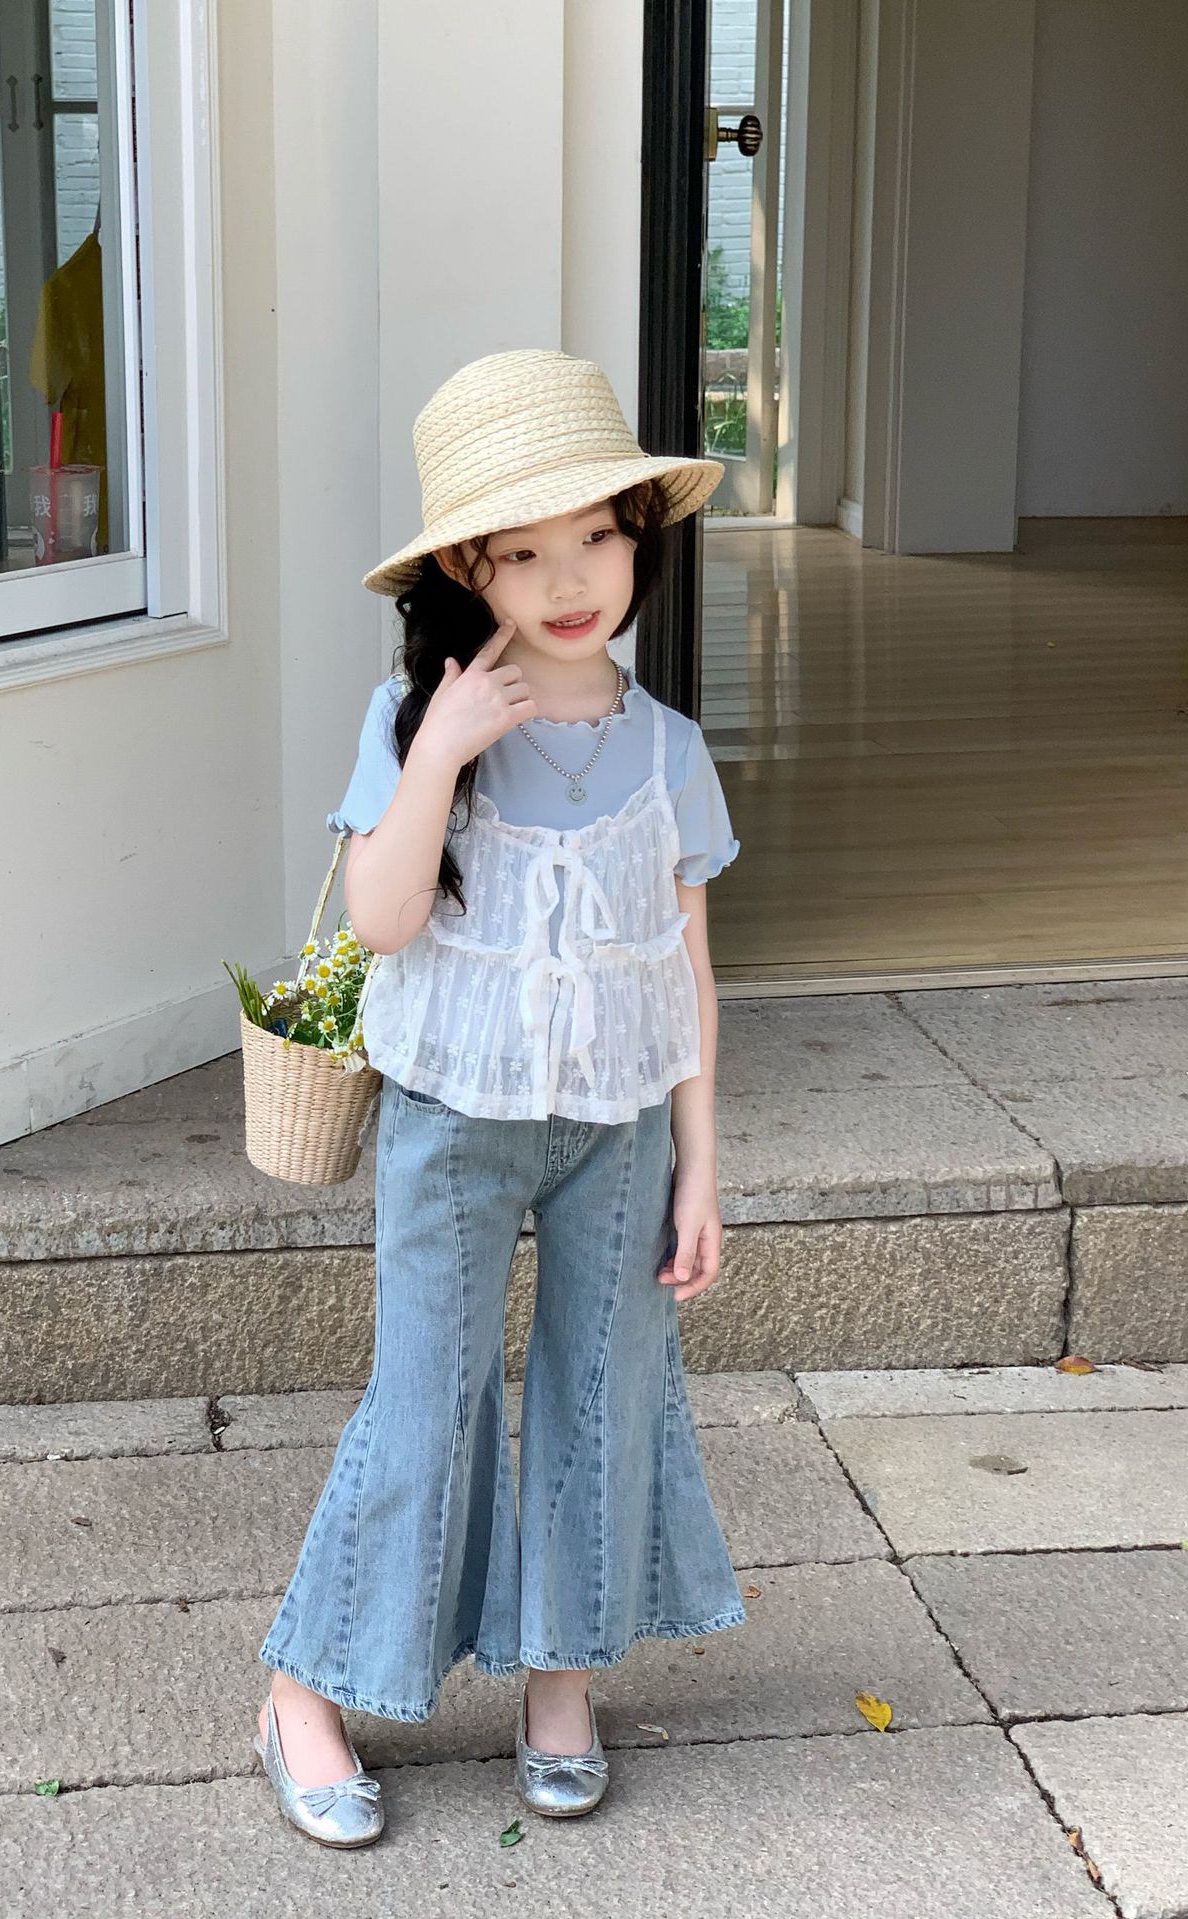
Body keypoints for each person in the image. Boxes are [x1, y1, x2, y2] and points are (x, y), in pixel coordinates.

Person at [251, 348, 746, 1849]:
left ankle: (561, 1688)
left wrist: (701, 1166)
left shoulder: (669, 750)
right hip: (455, 1121)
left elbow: (688, 971)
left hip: (620, 1127)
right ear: (469, 568)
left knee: (603, 1396)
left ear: (638, 537)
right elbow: (383, 917)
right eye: (523, 553)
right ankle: (304, 1693)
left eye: (595, 536)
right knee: (428, 1399)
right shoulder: (419, 718)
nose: (570, 580)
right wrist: (443, 753)